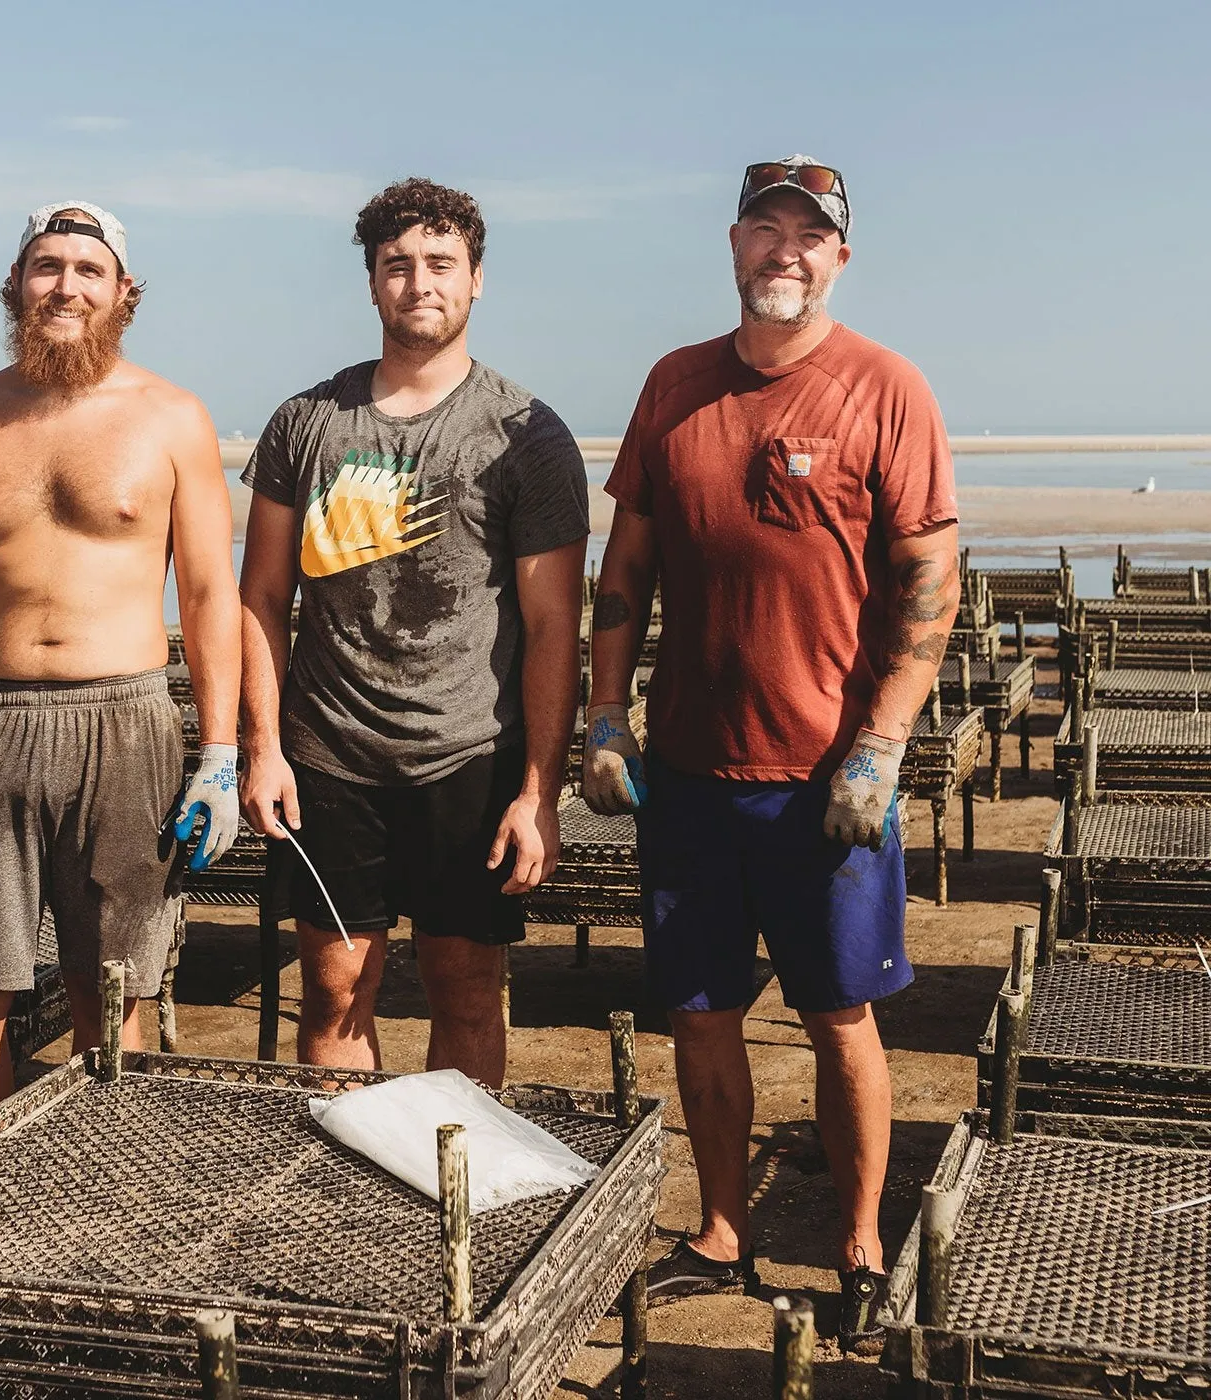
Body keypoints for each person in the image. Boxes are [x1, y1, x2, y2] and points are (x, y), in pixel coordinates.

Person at [583, 156, 959, 1351]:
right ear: (733, 244)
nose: (785, 250)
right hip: (692, 773)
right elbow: (624, 575)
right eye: (766, 228)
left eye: (811, 234)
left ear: (839, 256)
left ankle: (854, 1241)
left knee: (840, 1012)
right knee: (699, 1012)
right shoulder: (675, 386)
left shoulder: (887, 387)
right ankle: (723, 1227)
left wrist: (883, 745)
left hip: (827, 783)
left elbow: (929, 588)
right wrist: (604, 716)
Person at [0, 201, 241, 1128]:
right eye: (45, 267)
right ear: (16, 288)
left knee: (110, 989)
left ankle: (97, 1180)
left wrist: (220, 753)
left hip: (125, 720)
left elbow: (208, 597)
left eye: (87, 269)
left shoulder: (172, 417)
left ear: (123, 294)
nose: (64, 285)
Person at [239, 177, 589, 1089]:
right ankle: (348, 1187)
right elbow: (260, 598)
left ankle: (452, 1192)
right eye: (398, 265)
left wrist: (538, 792)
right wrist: (260, 748)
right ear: (371, 284)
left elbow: (555, 626)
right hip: (328, 758)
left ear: (477, 281)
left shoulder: (529, 436)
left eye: (441, 263)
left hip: (467, 757)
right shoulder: (305, 424)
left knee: (465, 986)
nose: (419, 283)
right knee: (335, 988)